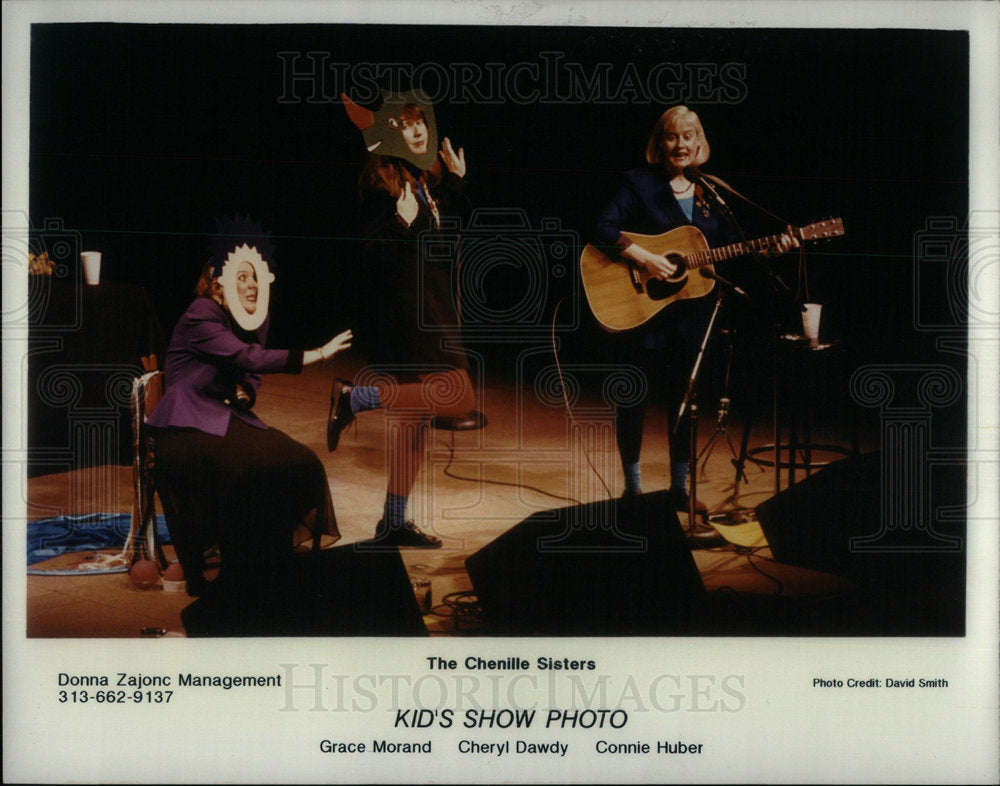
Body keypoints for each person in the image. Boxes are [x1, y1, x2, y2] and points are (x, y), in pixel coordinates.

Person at [592, 105, 797, 517]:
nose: (680, 145)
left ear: (700, 142)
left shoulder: (711, 194)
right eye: (672, 137)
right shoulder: (638, 183)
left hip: (690, 317)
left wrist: (771, 248)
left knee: (684, 400)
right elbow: (600, 228)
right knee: (632, 400)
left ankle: (678, 490)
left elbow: (730, 250)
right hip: (642, 312)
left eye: (688, 137)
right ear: (660, 143)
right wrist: (647, 259)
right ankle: (633, 492)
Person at [148, 215, 353, 597]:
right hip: (187, 424)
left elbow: (250, 369)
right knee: (244, 471)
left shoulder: (252, 318)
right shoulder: (201, 313)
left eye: (254, 277)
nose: (251, 285)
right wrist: (319, 354)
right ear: (216, 281)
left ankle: (267, 560)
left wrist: (248, 392)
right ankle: (238, 568)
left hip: (227, 417)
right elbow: (249, 357)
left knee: (299, 462)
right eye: (241, 278)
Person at [330, 91, 476, 549]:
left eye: (421, 124)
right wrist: (400, 225)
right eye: (407, 125)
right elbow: (368, 256)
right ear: (391, 133)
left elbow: (444, 233)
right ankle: (355, 398)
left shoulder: (424, 181)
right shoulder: (383, 187)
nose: (417, 131)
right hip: (407, 314)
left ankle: (392, 522)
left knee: (412, 423)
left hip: (433, 307)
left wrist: (455, 182)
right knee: (458, 395)